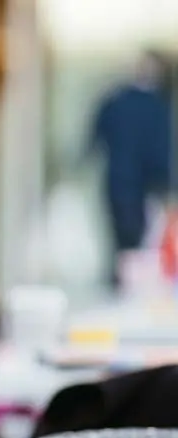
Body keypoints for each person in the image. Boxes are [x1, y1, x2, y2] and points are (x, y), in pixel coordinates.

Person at [88, 50, 174, 286]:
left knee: (124, 245)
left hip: (119, 182)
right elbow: (161, 149)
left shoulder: (116, 100)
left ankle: (122, 286)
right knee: (140, 246)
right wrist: (164, 185)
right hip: (142, 186)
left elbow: (95, 137)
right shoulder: (157, 106)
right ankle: (130, 289)